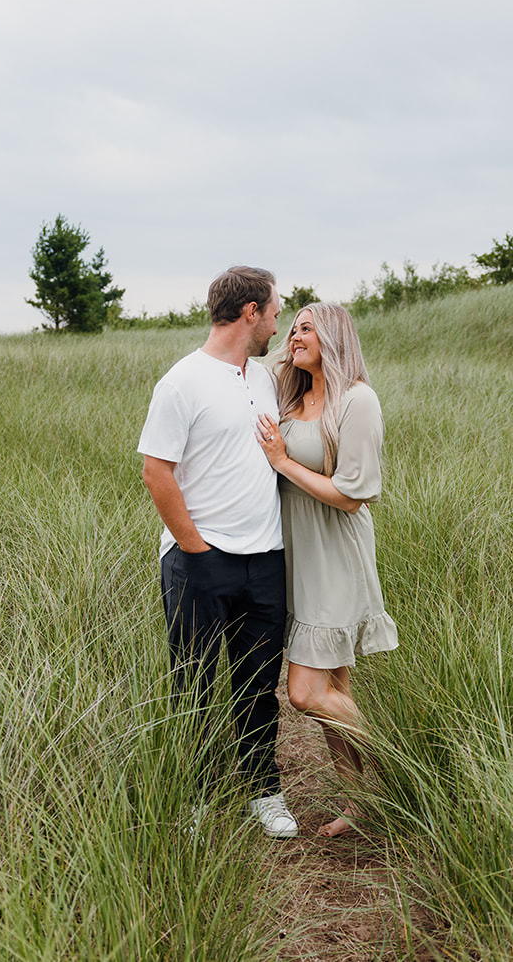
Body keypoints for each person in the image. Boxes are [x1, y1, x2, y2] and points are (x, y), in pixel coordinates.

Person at [138, 265, 299, 839]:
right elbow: (157, 472)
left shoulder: (263, 378)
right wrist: (196, 551)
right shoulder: (181, 382)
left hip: (266, 559)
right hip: (199, 558)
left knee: (259, 679)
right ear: (250, 311)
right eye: (275, 311)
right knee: (197, 683)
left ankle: (263, 788)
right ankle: (199, 797)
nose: (279, 322)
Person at [255, 302, 397, 838]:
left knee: (306, 692)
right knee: (334, 688)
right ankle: (359, 804)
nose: (294, 336)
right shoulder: (292, 396)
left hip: (335, 555)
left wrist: (283, 462)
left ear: (334, 336)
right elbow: (244, 364)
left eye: (306, 329)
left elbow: (353, 496)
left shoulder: (356, 400)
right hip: (297, 556)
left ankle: (398, 770)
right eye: (290, 328)